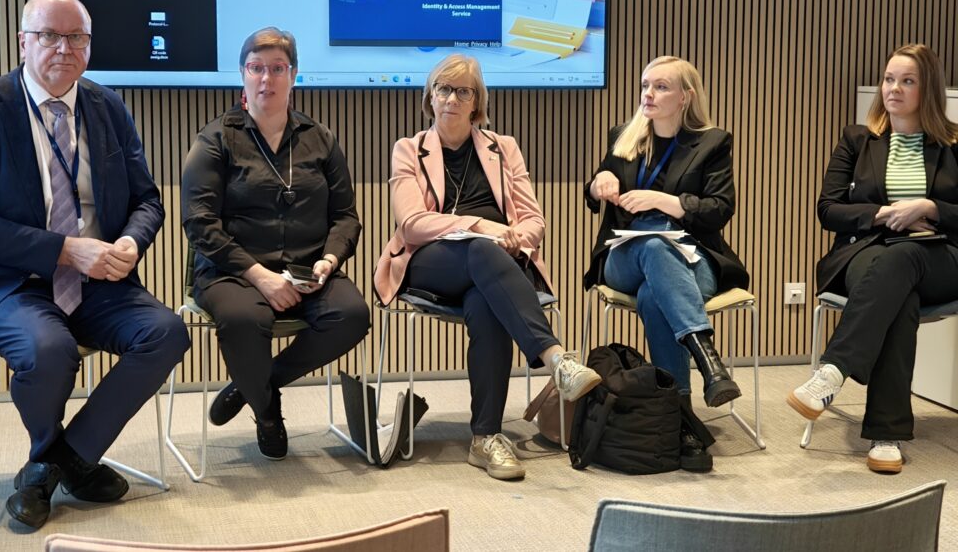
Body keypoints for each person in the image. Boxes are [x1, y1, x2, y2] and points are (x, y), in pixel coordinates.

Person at [0, 0, 190, 529]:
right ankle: (66, 463)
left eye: (76, 37)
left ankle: (57, 465)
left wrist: (131, 243)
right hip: (7, 283)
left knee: (166, 332)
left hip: (97, 283)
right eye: (49, 36)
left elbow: (147, 200)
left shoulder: (108, 107)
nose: (64, 48)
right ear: (23, 43)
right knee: (50, 350)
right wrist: (65, 250)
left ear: (89, 46)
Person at [374, 54, 601, 481]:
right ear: (430, 97)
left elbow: (533, 220)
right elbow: (412, 223)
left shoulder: (503, 147)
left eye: (463, 91)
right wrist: (486, 229)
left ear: (477, 101)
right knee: (480, 250)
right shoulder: (409, 149)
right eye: (444, 89)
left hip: (495, 268)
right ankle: (556, 359)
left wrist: (516, 238)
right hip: (432, 262)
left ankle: (485, 438)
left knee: (486, 301)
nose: (452, 99)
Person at [181, 27, 369, 461]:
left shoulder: (320, 138)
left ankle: (257, 382)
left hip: (307, 270)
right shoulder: (216, 138)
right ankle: (267, 412)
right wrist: (260, 277)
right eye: (256, 68)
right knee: (243, 319)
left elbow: (345, 216)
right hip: (233, 272)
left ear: (294, 75)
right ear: (242, 75)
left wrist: (329, 260)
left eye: (277, 69)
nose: (266, 78)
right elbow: (199, 223)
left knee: (352, 315)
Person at [788, 43, 958, 473]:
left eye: (907, 81)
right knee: (899, 294)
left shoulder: (954, 143)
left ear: (928, 88)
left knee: (905, 260)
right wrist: (884, 214)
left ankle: (833, 372)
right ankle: (886, 434)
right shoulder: (857, 140)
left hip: (939, 256)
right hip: (867, 250)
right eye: (888, 79)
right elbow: (828, 209)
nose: (893, 88)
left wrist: (930, 208)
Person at [584, 56, 749, 472]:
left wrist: (665, 201)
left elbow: (719, 209)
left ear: (685, 97)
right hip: (625, 256)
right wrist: (598, 183)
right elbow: (594, 191)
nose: (648, 94)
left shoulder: (712, 143)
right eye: (645, 85)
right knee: (654, 248)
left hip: (692, 258)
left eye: (660, 87)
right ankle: (708, 360)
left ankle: (681, 421)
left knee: (654, 297)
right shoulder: (624, 137)